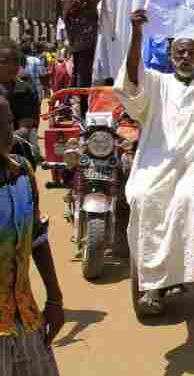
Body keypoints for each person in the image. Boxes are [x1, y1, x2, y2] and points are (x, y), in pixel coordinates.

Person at [114, 6, 194, 315]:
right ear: (171, 56)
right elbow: (132, 81)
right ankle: (153, 284)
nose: (184, 57)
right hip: (157, 164)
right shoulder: (158, 84)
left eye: (190, 53)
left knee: (186, 200)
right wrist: (137, 34)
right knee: (145, 196)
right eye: (179, 52)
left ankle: (170, 280)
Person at [0, 94, 64, 375]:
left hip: (24, 318)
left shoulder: (23, 172)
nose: (6, 133)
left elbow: (38, 237)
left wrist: (55, 299)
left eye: (8, 123)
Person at [56, 0, 104, 97]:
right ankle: (83, 108)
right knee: (86, 70)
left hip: (71, 30)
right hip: (88, 30)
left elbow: (57, 2)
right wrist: (90, 6)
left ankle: (69, 102)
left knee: (75, 66)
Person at [0, 39, 41, 168]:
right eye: (4, 62)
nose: (12, 66)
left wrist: (4, 146)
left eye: (15, 61)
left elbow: (25, 129)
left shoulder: (25, 90)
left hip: (18, 156)